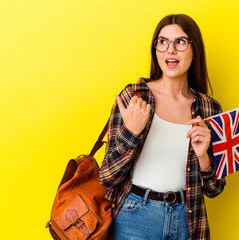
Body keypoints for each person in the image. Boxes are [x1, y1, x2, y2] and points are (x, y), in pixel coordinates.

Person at [99, 14, 226, 240]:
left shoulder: (210, 109)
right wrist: (131, 133)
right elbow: (107, 178)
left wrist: (204, 157)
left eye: (180, 42)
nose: (170, 50)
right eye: (163, 41)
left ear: (194, 51)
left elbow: (215, 189)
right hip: (133, 219)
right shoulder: (134, 98)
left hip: (188, 222)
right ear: (155, 49)